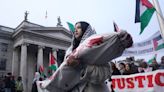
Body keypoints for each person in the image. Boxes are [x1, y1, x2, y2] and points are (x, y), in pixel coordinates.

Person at [45, 21, 133, 92]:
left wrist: (82, 66)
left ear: (85, 30)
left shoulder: (98, 48)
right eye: (75, 28)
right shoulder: (69, 51)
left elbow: (105, 73)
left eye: (79, 28)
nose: (75, 30)